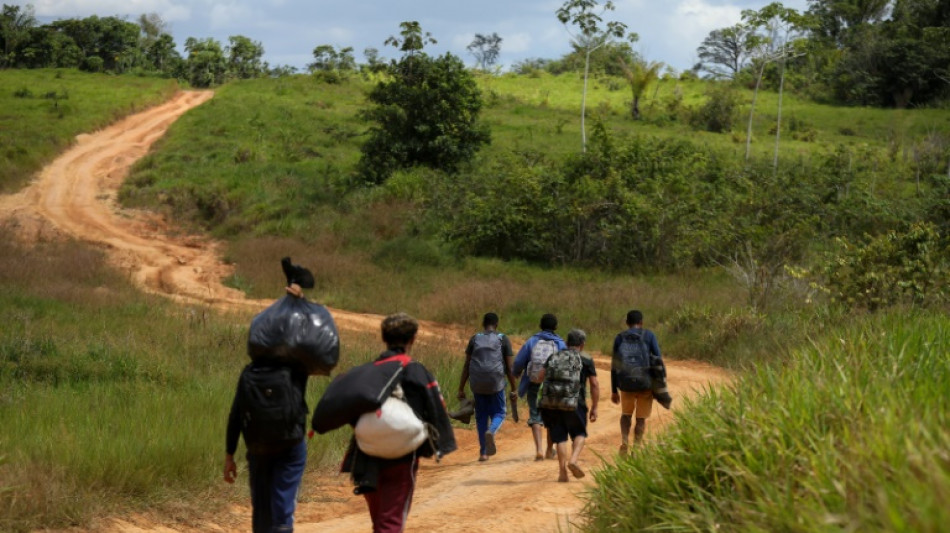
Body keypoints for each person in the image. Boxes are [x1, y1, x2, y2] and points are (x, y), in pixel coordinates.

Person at [342, 312, 457, 533]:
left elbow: (350, 408)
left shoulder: (367, 371)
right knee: (391, 520)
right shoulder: (417, 371)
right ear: (413, 339)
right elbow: (436, 408)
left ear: (383, 338)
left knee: (379, 520)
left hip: (365, 454)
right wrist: (439, 444)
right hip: (403, 455)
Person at [224, 282, 311, 533]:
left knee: (261, 511)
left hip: (258, 447)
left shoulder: (248, 373)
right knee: (282, 508)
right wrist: (299, 302)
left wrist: (230, 455)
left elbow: (236, 415)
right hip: (290, 444)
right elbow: (308, 341)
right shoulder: (295, 368)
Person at [538, 328, 599, 482]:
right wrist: (595, 407)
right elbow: (594, 384)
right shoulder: (586, 359)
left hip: (554, 404)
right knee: (580, 434)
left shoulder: (554, 356)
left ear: (566, 342)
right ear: (582, 344)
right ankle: (573, 460)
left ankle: (562, 472)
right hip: (575, 403)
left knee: (560, 438)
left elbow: (539, 377)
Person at [456, 312, 519, 461]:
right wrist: (514, 388)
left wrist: (461, 387)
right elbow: (510, 368)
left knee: (481, 416)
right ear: (496, 325)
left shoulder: (475, 338)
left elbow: (467, 364)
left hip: (477, 383)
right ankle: (491, 431)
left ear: (483, 325)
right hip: (496, 383)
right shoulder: (502, 339)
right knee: (500, 413)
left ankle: (483, 453)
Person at [512, 313, 567, 461]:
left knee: (535, 415)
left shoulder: (532, 341)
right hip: (552, 386)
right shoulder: (560, 344)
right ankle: (550, 450)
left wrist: (516, 372)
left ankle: (539, 450)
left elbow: (519, 362)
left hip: (534, 383)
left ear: (540, 326)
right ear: (556, 327)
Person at [610, 309, 664, 454]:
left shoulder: (620, 338)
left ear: (627, 323)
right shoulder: (649, 336)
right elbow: (658, 359)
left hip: (626, 384)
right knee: (641, 419)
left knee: (626, 414)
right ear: (641, 322)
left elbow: (615, 365)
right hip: (645, 384)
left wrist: (614, 390)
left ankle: (625, 441)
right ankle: (637, 447)